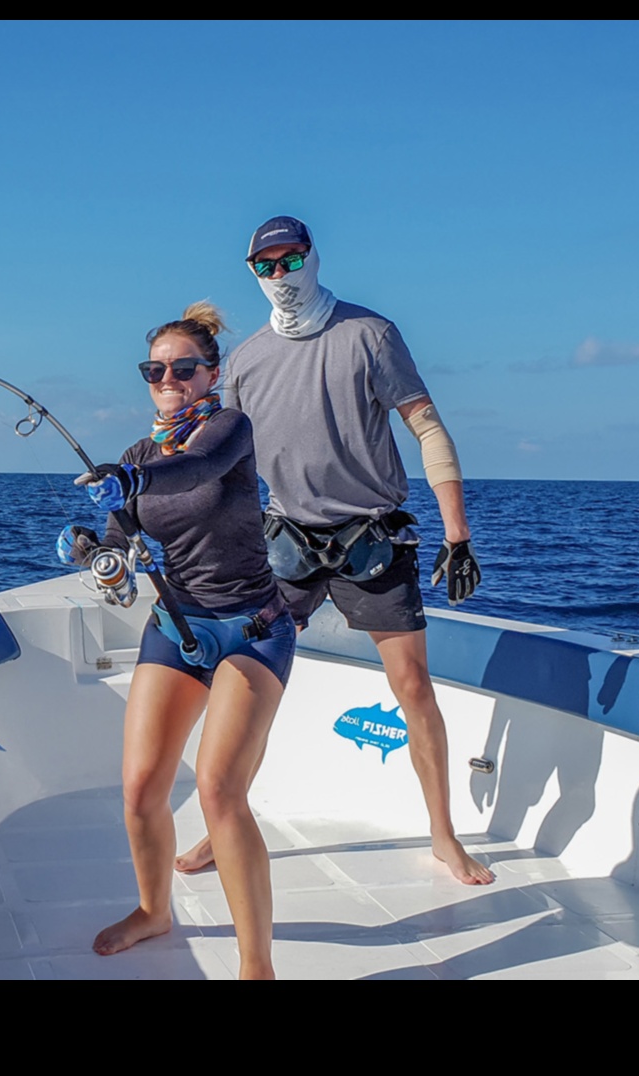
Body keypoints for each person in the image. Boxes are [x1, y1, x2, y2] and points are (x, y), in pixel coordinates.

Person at [172, 215, 494, 886]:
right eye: (267, 265)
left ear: (313, 257)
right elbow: (218, 465)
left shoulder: (370, 334)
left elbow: (427, 428)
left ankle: (443, 834)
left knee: (412, 687)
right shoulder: (247, 363)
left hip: (369, 541)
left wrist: (457, 534)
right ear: (252, 272)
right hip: (282, 543)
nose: (281, 275)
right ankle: (220, 825)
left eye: (291, 260)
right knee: (246, 690)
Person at [57, 302, 296, 979]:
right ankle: (153, 910)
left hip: (253, 631)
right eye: (155, 369)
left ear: (210, 374)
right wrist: (94, 553)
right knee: (140, 791)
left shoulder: (229, 429)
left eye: (182, 368)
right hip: (177, 629)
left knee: (220, 791)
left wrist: (130, 481)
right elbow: (118, 540)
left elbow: (193, 471)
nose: (168, 378)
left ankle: (257, 966)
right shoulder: (135, 456)